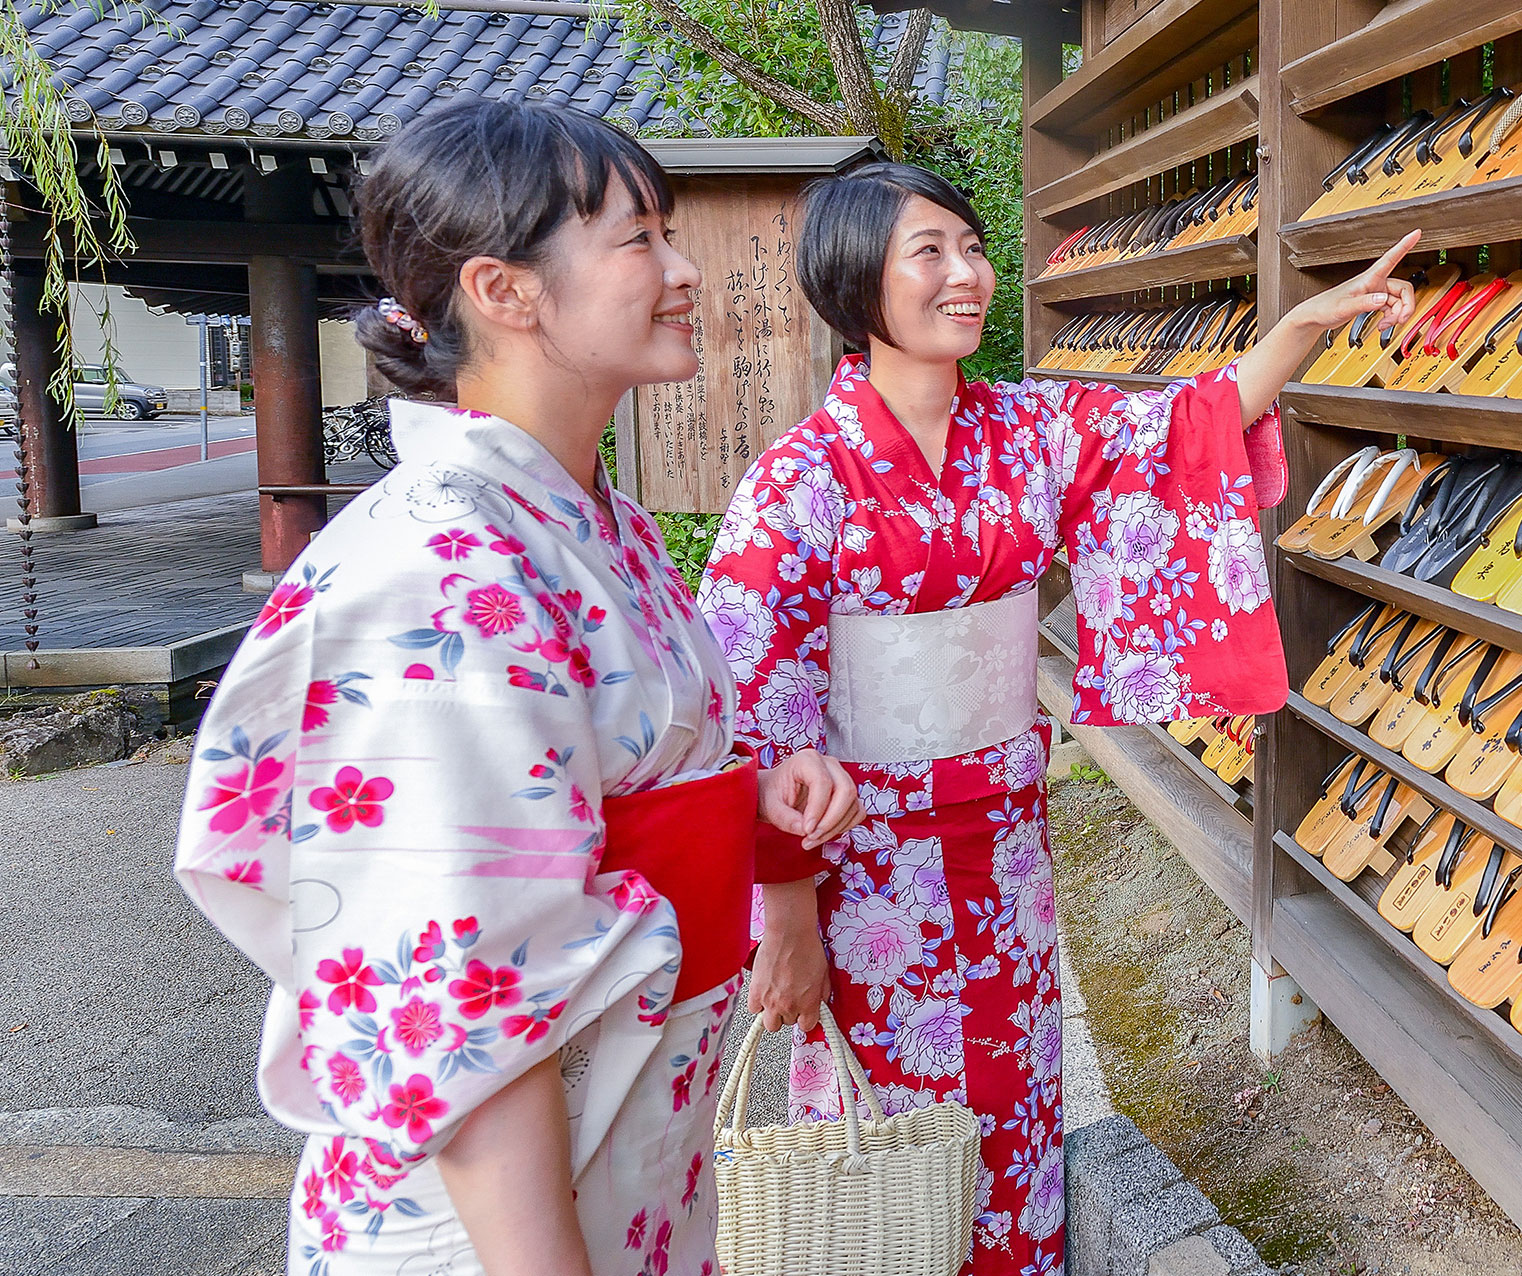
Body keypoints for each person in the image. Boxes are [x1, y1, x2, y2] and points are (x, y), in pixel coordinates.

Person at [175, 99, 860, 1276]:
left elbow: (596, 801)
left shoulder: (596, 524)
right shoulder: (443, 572)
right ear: (503, 292)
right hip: (501, 1216)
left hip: (627, 1152)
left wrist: (736, 797)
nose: (684, 269)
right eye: (639, 239)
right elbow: (460, 993)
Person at [698, 162, 1415, 1275]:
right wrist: (783, 908)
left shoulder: (1027, 430)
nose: (965, 274)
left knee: (1019, 1090)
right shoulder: (800, 481)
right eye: (926, 252)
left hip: (1000, 837)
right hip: (862, 862)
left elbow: (1190, 427)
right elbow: (751, 713)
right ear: (855, 283)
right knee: (883, 1128)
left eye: (971, 247)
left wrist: (1307, 325)